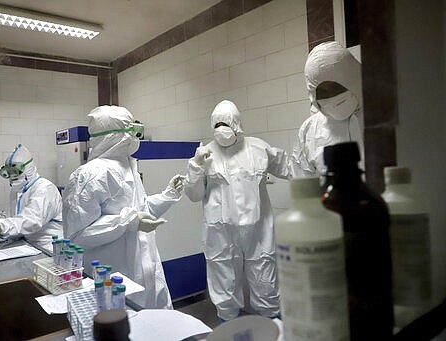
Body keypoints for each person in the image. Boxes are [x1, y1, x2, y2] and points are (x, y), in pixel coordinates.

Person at [62, 105, 183, 310]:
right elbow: (77, 236)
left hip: (147, 270)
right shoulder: (88, 175)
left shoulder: (129, 166)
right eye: (130, 130)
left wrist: (168, 196)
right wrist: (128, 221)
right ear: (113, 136)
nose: (135, 136)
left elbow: (140, 211)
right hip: (115, 277)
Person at [183, 100, 291, 322]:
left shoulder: (258, 148)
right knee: (224, 287)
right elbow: (193, 195)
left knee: (265, 283)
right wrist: (195, 166)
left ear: (238, 124)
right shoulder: (204, 154)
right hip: (221, 233)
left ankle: (273, 327)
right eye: (218, 124)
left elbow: (289, 168)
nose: (222, 129)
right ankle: (231, 328)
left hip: (258, 230)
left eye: (227, 123)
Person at [290, 41, 364, 177]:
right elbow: (303, 185)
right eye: (323, 91)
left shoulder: (385, 115)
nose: (331, 96)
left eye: (336, 86)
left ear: (353, 79)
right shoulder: (309, 130)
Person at [0, 144, 63, 248]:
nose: (12, 177)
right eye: (8, 173)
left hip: (47, 247)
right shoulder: (17, 189)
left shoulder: (44, 189)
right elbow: (19, 214)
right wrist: (3, 217)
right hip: (27, 244)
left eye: (15, 172)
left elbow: (32, 220)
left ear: (28, 168)